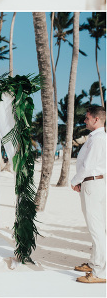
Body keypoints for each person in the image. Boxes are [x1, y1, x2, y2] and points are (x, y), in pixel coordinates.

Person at [71, 106, 105, 284]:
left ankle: (100, 271)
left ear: (96, 120)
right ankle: (94, 263)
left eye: (87, 118)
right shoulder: (97, 138)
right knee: (97, 227)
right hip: (93, 182)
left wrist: (75, 180)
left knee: (96, 228)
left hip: (92, 182)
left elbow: (88, 166)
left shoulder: (98, 139)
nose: (84, 121)